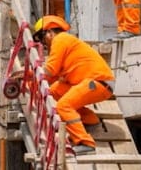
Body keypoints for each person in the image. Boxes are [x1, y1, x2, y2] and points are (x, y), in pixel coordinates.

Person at [32, 15, 115, 155]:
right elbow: (53, 77)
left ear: (50, 32)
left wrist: (28, 74)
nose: (44, 43)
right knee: (54, 92)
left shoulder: (60, 39)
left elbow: (50, 70)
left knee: (64, 106)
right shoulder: (65, 42)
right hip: (91, 82)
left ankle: (85, 143)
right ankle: (90, 121)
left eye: (42, 38)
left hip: (97, 82)